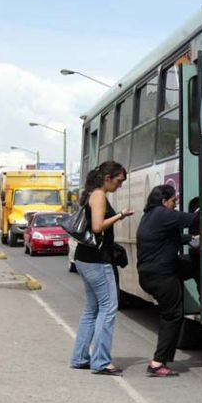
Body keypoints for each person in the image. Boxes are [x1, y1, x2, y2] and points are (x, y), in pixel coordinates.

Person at [69, 161, 134, 376]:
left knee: (92, 310)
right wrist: (121, 215)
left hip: (85, 258)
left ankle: (80, 358)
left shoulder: (91, 193)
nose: (120, 186)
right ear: (108, 178)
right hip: (98, 260)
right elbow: (98, 227)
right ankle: (101, 362)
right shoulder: (98, 195)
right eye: (118, 181)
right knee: (108, 309)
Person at [136, 184, 199, 377]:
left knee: (196, 265)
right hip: (161, 275)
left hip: (152, 272)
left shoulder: (150, 216)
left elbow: (168, 238)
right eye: (174, 201)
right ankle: (157, 363)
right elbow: (194, 219)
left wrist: (188, 238)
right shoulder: (162, 214)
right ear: (164, 201)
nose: (176, 204)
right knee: (172, 316)